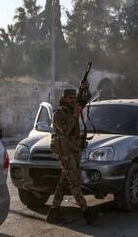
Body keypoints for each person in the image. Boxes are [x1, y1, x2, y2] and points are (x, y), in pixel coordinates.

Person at [45, 82, 101, 224]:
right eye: (69, 98)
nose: (72, 100)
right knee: (75, 182)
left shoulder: (72, 110)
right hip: (65, 153)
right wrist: (76, 115)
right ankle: (86, 212)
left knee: (64, 182)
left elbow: (85, 99)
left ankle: (53, 212)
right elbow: (65, 130)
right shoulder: (58, 114)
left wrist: (84, 89)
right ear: (63, 99)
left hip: (74, 151)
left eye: (73, 97)